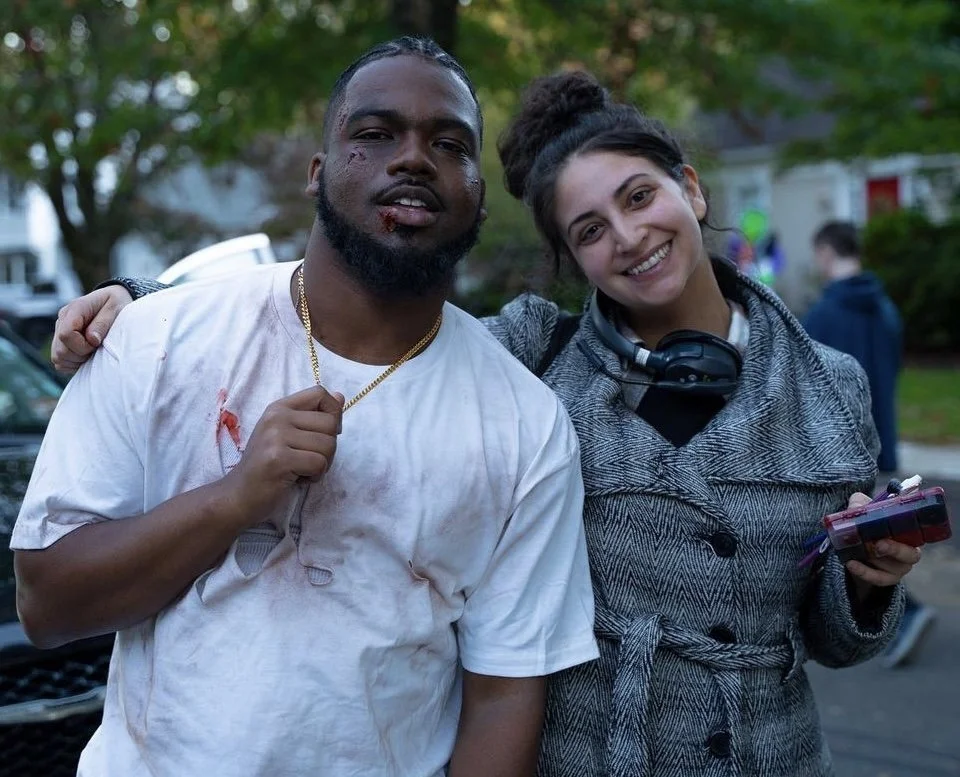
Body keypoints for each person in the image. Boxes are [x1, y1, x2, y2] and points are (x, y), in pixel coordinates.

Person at [51, 71, 926, 777]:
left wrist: (866, 583)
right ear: (570, 259)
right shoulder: (535, 357)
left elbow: (829, 635)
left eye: (639, 197)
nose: (627, 236)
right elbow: (372, 303)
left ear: (690, 190)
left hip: (763, 753)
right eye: (590, 228)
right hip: (585, 754)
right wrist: (140, 303)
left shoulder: (829, 383)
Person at [12, 38, 600, 777]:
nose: (414, 157)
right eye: (376, 134)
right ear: (318, 172)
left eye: (449, 143)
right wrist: (235, 497)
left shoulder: (526, 423)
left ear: (477, 189)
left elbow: (503, 693)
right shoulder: (157, 338)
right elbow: (45, 602)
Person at [802, 221, 936, 669]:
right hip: (882, 435)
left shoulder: (821, 316)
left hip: (838, 449)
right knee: (875, 537)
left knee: (858, 543)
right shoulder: (886, 308)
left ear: (825, 252)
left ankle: (906, 613)